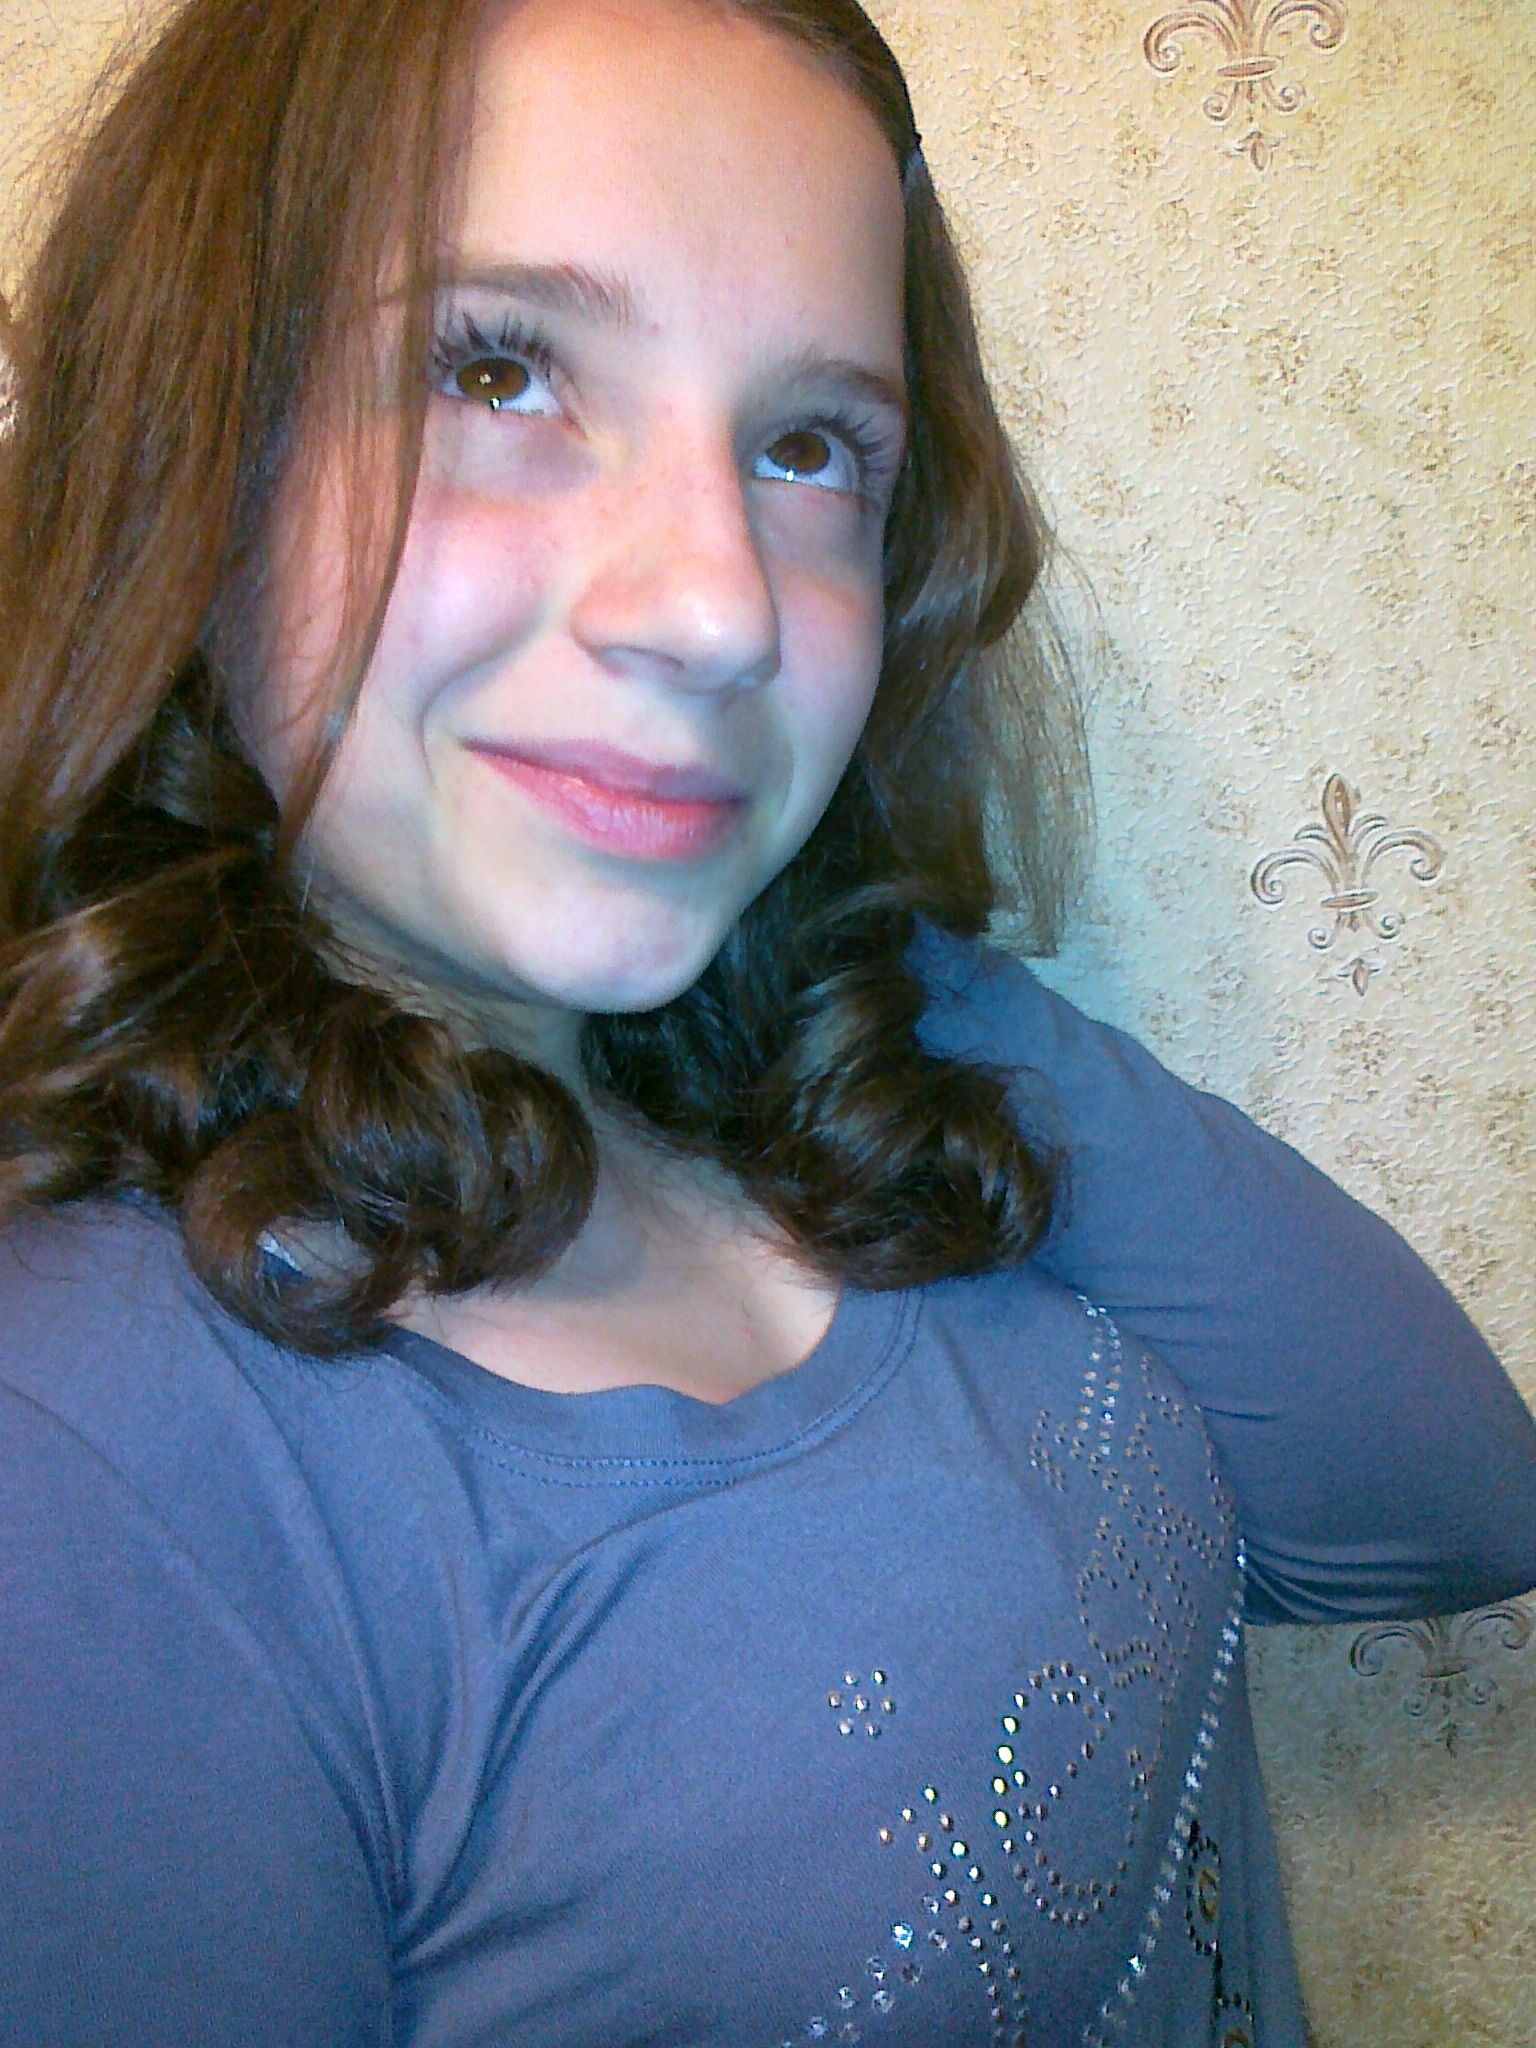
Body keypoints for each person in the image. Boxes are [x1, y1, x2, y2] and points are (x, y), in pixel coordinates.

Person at [0, 0, 1532, 2042]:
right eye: (497, 369)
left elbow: (1442, 1498)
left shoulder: (804, 1092)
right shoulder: (87, 1460)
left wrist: (825, 925)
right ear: (196, 451)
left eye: (810, 445)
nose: (723, 606)